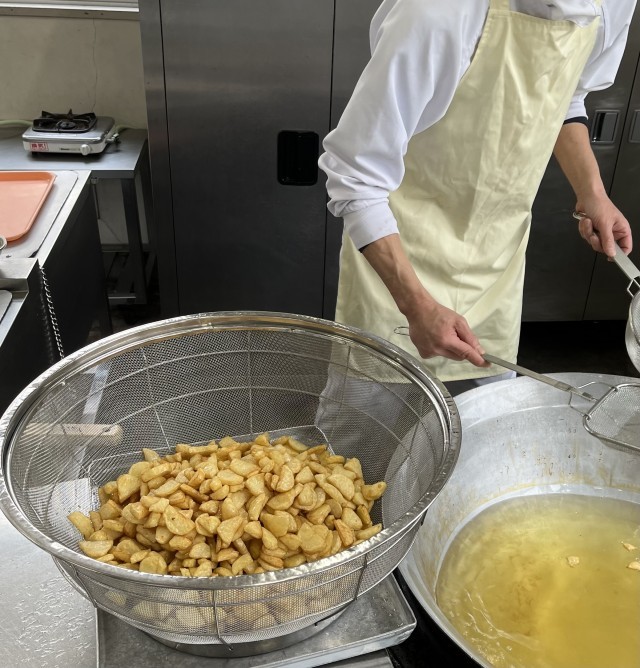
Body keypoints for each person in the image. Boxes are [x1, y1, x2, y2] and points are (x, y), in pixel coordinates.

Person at [319, 0, 636, 396]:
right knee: (370, 421)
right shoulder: (437, 11)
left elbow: (567, 98)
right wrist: (416, 305)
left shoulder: (613, 5)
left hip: (497, 262)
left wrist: (593, 193)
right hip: (399, 254)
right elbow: (355, 175)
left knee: (485, 417)